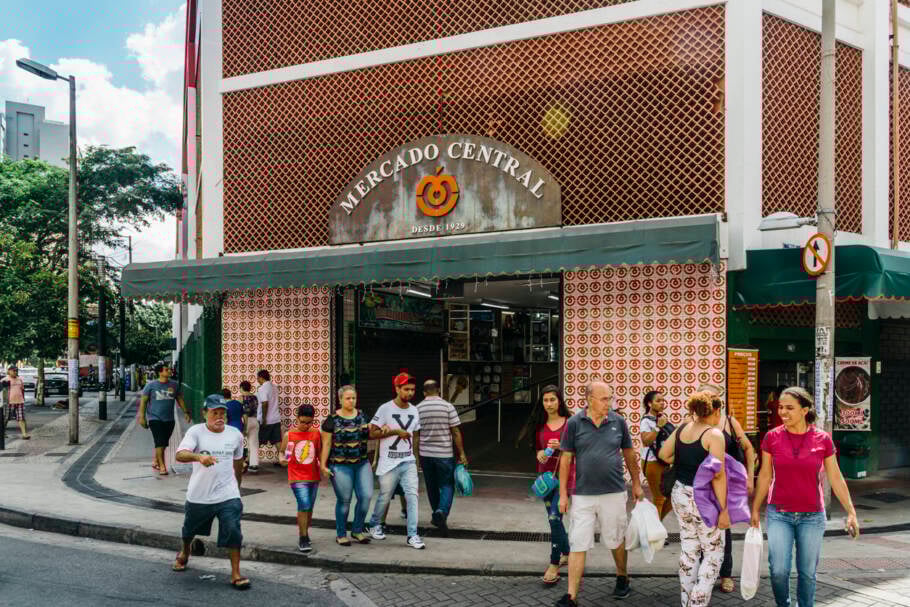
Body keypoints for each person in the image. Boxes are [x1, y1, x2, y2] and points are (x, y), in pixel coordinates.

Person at [751, 387, 859, 607]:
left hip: (812, 516)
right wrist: (755, 508)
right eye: (781, 407)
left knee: (807, 573)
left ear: (805, 409)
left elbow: (835, 477)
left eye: (789, 408)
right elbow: (764, 475)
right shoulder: (772, 437)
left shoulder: (823, 439)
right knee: (778, 570)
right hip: (779, 513)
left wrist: (851, 512)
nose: (783, 412)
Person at [555, 382, 643, 607]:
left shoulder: (618, 421)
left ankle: (622, 576)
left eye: (610, 398)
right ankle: (571, 596)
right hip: (582, 495)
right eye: (604, 399)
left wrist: (636, 483)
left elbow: (629, 454)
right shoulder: (574, 423)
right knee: (578, 542)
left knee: (616, 539)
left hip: (614, 493)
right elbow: (565, 460)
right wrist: (563, 494)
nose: (609, 403)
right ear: (589, 399)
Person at [659, 391, 730, 607]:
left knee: (689, 549)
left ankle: (686, 600)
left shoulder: (682, 428)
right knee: (714, 553)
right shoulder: (714, 435)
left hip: (680, 493)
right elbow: (718, 475)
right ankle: (696, 604)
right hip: (703, 497)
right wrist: (724, 509)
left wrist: (684, 459)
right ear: (715, 411)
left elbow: (663, 455)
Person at [173, 394, 249, 590]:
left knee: (233, 530)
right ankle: (185, 551)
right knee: (189, 530)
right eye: (215, 413)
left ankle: (235, 573)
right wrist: (198, 457)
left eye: (223, 413)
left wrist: (237, 488)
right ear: (204, 413)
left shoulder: (235, 434)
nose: (219, 417)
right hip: (200, 494)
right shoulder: (196, 432)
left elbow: (238, 463)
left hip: (228, 494)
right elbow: (180, 454)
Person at [367, 372, 425, 549]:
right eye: (406, 389)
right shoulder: (385, 409)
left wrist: (416, 460)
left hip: (408, 461)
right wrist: (395, 432)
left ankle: (412, 535)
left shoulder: (414, 410)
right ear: (397, 389)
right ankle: (374, 524)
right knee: (384, 496)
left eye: (412, 389)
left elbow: (415, 437)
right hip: (388, 462)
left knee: (412, 496)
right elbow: (372, 433)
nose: (410, 393)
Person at [527, 385, 573, 586]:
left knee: (554, 518)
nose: (549, 404)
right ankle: (567, 552)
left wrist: (561, 447)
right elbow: (536, 448)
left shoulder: (570, 423)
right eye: (545, 400)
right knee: (554, 519)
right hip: (545, 479)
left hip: (566, 478)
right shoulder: (538, 423)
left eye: (552, 399)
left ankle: (554, 563)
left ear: (559, 401)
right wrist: (539, 453)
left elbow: (579, 449)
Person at [319, 385, 373, 546]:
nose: (351, 401)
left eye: (354, 398)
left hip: (362, 463)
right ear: (340, 399)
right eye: (348, 398)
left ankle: (357, 530)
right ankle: (341, 534)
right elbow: (326, 444)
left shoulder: (363, 416)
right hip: (340, 465)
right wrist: (323, 465)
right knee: (344, 500)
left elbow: (371, 434)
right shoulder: (331, 420)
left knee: (366, 497)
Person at [713, 395, 756, 593]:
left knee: (724, 528)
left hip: (727, 483)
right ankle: (705, 573)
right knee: (702, 530)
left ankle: (726, 574)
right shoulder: (693, 423)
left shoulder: (729, 422)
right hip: (703, 485)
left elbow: (748, 448)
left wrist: (750, 477)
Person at [416, 379, 468, 537]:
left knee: (431, 486)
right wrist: (462, 453)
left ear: (424, 392)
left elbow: (415, 435)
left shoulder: (418, 408)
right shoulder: (448, 407)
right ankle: (441, 512)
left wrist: (416, 457)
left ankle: (438, 515)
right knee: (447, 484)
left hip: (426, 454)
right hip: (444, 455)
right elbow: (456, 432)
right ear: (438, 390)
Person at [279, 403, 322, 553]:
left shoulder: (316, 433)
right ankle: (303, 537)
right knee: (304, 505)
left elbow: (320, 453)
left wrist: (324, 466)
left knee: (309, 508)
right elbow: (284, 453)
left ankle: (305, 532)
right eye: (302, 422)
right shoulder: (290, 435)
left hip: (313, 476)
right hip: (296, 477)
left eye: (309, 422)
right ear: (297, 418)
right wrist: (282, 459)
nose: (305, 425)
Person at [139, 363, 191, 476]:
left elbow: (179, 399)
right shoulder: (150, 385)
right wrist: (142, 417)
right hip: (155, 418)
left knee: (163, 442)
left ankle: (156, 460)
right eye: (167, 369)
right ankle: (162, 466)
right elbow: (143, 401)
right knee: (159, 442)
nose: (169, 371)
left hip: (169, 419)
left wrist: (186, 412)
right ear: (160, 372)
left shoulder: (174, 385)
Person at [639, 390, 674, 520]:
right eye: (658, 401)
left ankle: (655, 524)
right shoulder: (646, 421)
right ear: (649, 404)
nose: (662, 403)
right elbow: (646, 441)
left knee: (671, 497)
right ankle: (655, 529)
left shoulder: (661, 418)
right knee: (659, 498)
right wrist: (658, 427)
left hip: (664, 461)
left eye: (663, 400)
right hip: (652, 462)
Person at [255, 369, 282, 461]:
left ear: (261, 378)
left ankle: (250, 461)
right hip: (276, 418)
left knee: (257, 441)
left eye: (258, 378)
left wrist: (264, 418)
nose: (257, 380)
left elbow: (265, 403)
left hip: (267, 420)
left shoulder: (262, 388)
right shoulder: (275, 387)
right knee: (277, 441)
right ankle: (283, 460)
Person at [2, 366, 30, 440]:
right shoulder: (4, 380)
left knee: (21, 418)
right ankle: (2, 433)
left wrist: (23, 399)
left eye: (16, 371)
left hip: (20, 401)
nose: (15, 372)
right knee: (5, 418)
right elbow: (1, 392)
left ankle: (24, 434)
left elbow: (22, 390)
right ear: (9, 371)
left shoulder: (19, 379)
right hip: (8, 402)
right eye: (14, 371)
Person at [239, 381, 259, 473]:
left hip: (245, 420)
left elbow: (240, 410)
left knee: (239, 442)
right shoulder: (255, 397)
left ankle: (241, 462)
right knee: (254, 444)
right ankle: (254, 465)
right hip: (254, 420)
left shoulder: (241, 397)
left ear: (241, 388)